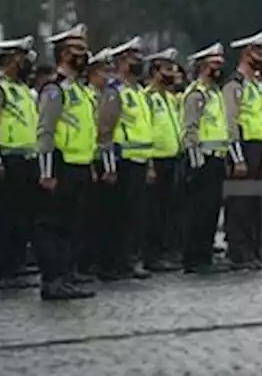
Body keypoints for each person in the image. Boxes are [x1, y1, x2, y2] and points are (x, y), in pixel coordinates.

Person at [34, 24, 97, 300]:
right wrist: (47, 172)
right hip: (61, 166)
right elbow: (46, 132)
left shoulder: (80, 91)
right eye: (77, 51)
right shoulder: (54, 89)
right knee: (54, 225)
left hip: (80, 165)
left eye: (84, 50)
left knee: (75, 226)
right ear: (62, 54)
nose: (84, 56)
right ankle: (53, 279)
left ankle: (67, 276)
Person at [0, 36, 39, 290]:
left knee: (21, 219)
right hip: (6, 159)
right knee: (2, 219)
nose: (27, 63)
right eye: (22, 59)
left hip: (26, 158)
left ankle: (14, 267)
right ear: (10, 61)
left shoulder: (24, 90)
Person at [180, 42, 244, 274]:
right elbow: (190, 130)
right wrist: (196, 163)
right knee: (198, 211)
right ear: (204, 66)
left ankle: (205, 255)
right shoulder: (196, 94)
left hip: (217, 158)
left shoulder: (215, 93)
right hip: (202, 160)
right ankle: (193, 258)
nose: (220, 67)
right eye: (215, 63)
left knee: (211, 211)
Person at [95, 37, 156, 280]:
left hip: (141, 160)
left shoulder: (140, 92)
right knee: (120, 216)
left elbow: (146, 129)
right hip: (123, 162)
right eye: (133, 58)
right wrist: (109, 165)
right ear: (121, 62)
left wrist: (150, 163)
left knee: (137, 216)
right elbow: (105, 131)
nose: (138, 62)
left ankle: (131, 257)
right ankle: (117, 261)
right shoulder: (115, 92)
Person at [223, 30, 262, 270]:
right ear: (245, 54)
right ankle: (238, 251)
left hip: (256, 145)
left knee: (252, 201)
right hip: (242, 147)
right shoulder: (235, 84)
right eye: (257, 51)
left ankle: (251, 249)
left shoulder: (255, 84)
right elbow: (231, 122)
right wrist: (237, 157)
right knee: (239, 202)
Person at [142, 48, 184, 271]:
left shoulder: (170, 98)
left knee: (170, 209)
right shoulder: (148, 97)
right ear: (155, 71)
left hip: (172, 159)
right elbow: (146, 129)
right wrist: (149, 164)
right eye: (167, 69)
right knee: (154, 211)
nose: (172, 73)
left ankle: (166, 251)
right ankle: (152, 255)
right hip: (156, 160)